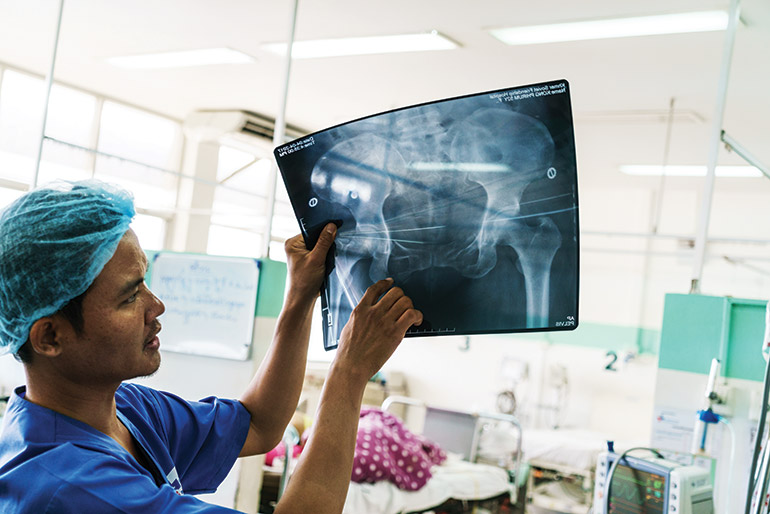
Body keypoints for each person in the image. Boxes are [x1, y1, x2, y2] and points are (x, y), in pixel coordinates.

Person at [0, 179, 423, 513]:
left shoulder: (126, 409)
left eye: (146, 282)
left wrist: (298, 299)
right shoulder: (73, 488)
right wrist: (349, 373)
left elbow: (257, 424)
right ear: (50, 337)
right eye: (129, 297)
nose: (156, 306)